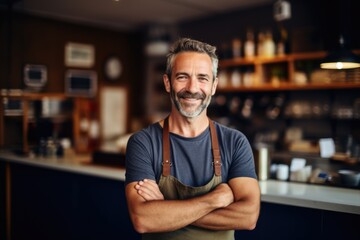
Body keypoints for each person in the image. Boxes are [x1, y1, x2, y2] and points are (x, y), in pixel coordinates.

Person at [125, 37, 260, 240]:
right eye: (182, 77)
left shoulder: (235, 142)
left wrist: (165, 209)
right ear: (167, 82)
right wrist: (214, 199)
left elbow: (248, 216)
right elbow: (143, 219)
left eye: (203, 78)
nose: (192, 88)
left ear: (214, 86)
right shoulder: (143, 143)